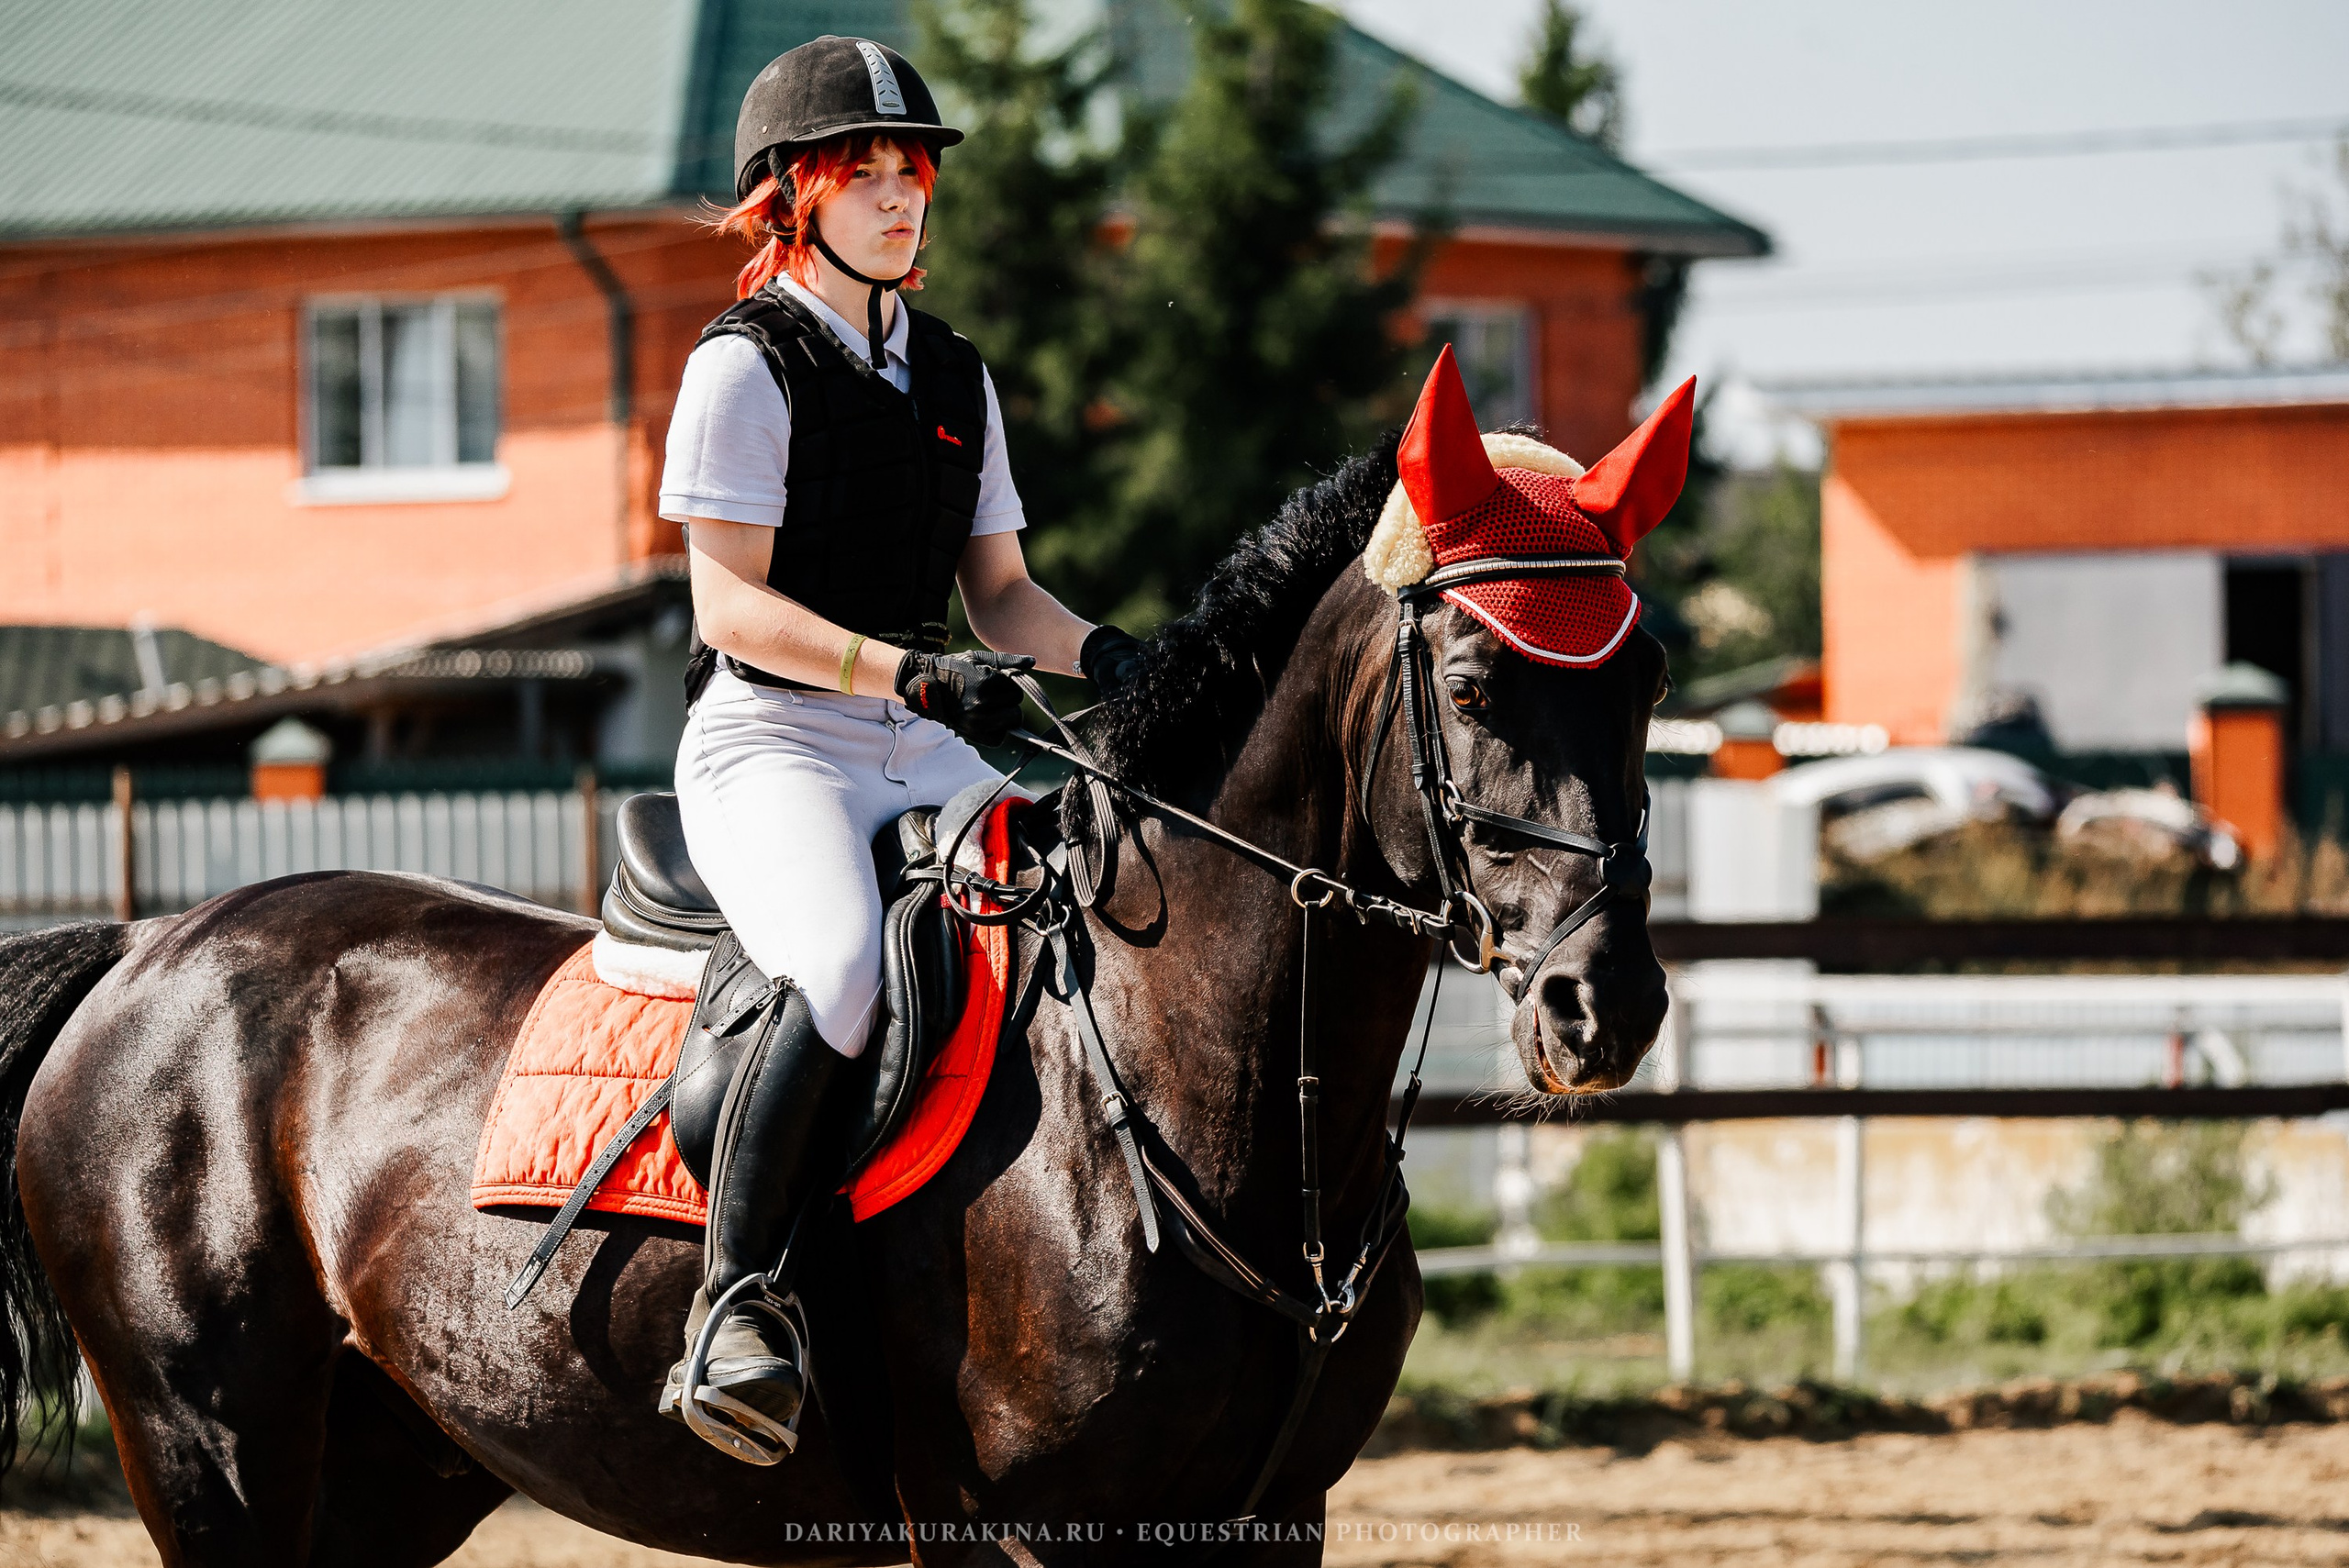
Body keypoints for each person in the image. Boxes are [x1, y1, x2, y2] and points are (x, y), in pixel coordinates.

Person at [655, 35, 1141, 1459]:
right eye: (861, 172)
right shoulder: (745, 368)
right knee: (845, 966)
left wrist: (1115, 654)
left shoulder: (954, 375)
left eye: (910, 170)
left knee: (1075, 904)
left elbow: (1003, 596)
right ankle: (734, 1301)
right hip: (772, 740)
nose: (897, 196)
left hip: (914, 729)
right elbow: (727, 601)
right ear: (790, 197)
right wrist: (915, 671)